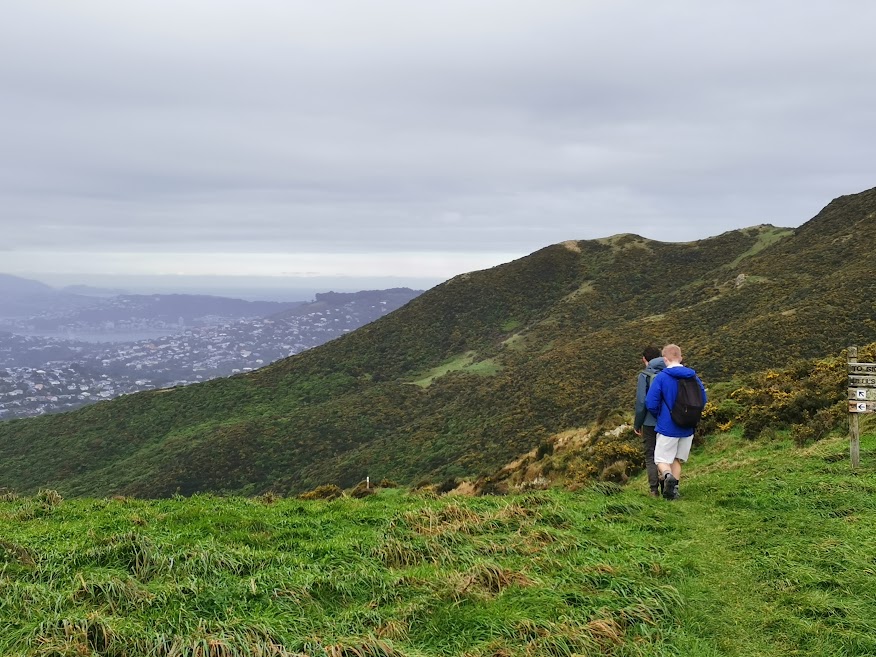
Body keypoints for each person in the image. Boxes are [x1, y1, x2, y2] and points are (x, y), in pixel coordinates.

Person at [645, 344, 707, 500]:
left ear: (665, 359)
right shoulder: (693, 376)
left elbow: (651, 403)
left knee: (661, 459)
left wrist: (660, 416)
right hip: (688, 426)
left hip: (668, 426)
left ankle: (667, 476)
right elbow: (703, 399)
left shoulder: (662, 377)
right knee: (676, 459)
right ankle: (674, 492)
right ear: (681, 358)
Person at [633, 346, 665, 497]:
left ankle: (654, 490)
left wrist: (637, 424)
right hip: (667, 421)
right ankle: (667, 485)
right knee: (665, 454)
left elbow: (641, 402)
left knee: (651, 455)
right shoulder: (669, 372)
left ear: (644, 359)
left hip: (649, 422)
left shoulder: (644, 376)